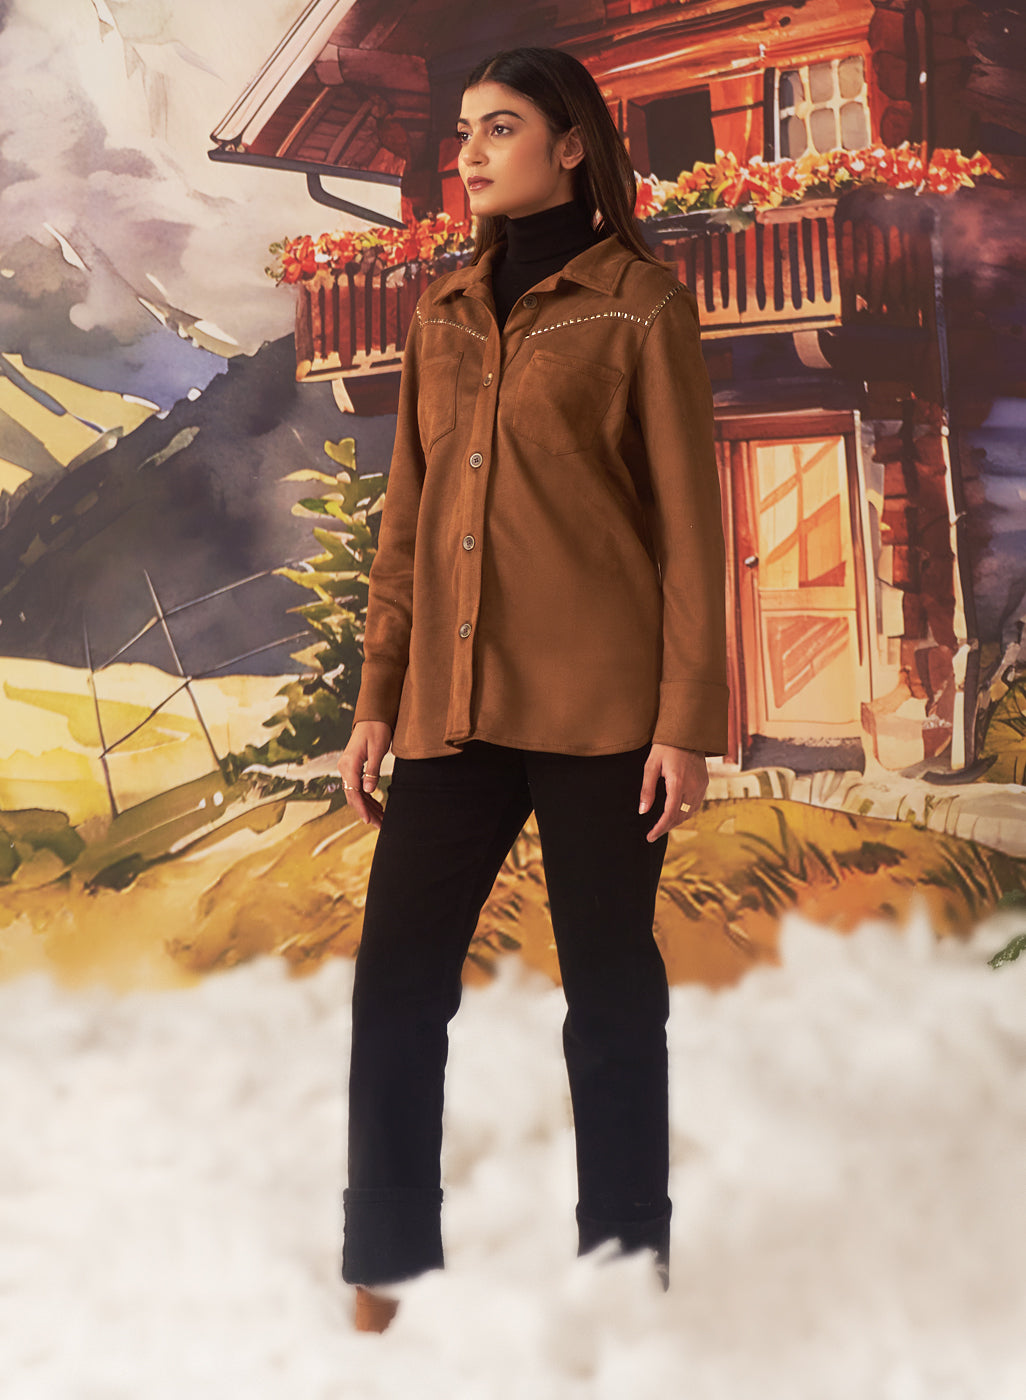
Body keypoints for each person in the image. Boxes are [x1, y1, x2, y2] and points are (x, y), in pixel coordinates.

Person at [336, 45, 728, 1334]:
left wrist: (684, 723)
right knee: (396, 984)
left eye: (499, 128)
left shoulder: (640, 306)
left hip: (602, 713)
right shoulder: (441, 315)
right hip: (450, 706)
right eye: (463, 130)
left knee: (610, 999)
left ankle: (623, 1263)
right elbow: (406, 523)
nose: (469, 152)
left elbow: (690, 531)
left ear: (570, 145)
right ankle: (387, 1257)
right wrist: (377, 698)